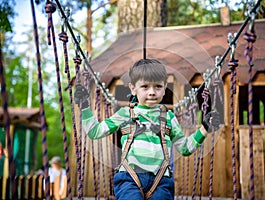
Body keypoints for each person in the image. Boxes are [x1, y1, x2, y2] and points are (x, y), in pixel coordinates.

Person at [74, 58, 220, 200]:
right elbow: (95, 132)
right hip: (129, 178)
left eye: (158, 86)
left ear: (164, 89)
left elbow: (185, 148)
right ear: (133, 89)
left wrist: (204, 129)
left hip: (161, 181)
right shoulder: (125, 114)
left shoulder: (169, 117)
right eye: (145, 86)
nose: (152, 92)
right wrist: (85, 107)